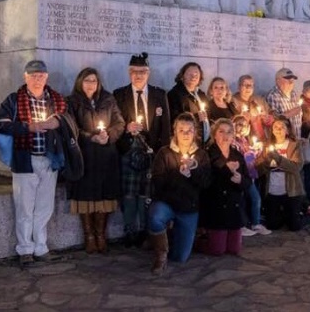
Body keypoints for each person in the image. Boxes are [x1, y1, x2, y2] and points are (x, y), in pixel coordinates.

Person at [0, 60, 68, 266]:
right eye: (33, 76)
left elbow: (68, 123)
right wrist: (28, 127)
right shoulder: (14, 100)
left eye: (41, 76)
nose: (37, 79)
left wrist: (58, 122)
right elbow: (0, 126)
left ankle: (41, 247)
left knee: (45, 206)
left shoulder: (56, 100)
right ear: (25, 77)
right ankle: (25, 248)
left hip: (49, 158)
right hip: (24, 158)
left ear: (46, 78)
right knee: (25, 207)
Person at [113, 52, 171, 247]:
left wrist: (162, 153)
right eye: (135, 72)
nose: (139, 75)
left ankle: (147, 231)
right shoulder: (119, 94)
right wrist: (126, 129)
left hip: (151, 150)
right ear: (129, 73)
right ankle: (130, 230)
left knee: (146, 193)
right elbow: (115, 123)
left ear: (149, 73)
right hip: (129, 148)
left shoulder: (159, 94)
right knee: (129, 193)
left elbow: (166, 126)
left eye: (143, 72)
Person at [67, 67, 125, 254]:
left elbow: (119, 122)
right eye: (87, 80)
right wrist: (91, 137)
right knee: (85, 196)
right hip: (85, 155)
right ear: (79, 82)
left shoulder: (108, 99)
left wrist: (108, 135)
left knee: (104, 196)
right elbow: (71, 127)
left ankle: (101, 234)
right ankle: (89, 236)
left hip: (106, 155)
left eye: (94, 80)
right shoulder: (72, 101)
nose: (91, 84)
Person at [148, 112, 211, 274]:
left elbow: (206, 183)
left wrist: (193, 171)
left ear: (195, 132)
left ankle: (175, 236)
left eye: (189, 130)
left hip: (188, 207)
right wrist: (178, 175)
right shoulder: (164, 153)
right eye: (181, 130)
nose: (185, 134)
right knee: (155, 217)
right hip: (167, 203)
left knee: (180, 257)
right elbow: (158, 182)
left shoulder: (201, 155)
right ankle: (160, 255)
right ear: (175, 131)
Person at [199, 119, 251, 256]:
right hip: (216, 207)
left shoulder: (237, 155)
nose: (225, 135)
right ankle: (200, 239)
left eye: (229, 132)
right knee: (217, 250)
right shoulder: (207, 154)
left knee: (234, 250)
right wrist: (225, 170)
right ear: (214, 134)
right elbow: (205, 182)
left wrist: (240, 180)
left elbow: (248, 182)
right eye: (221, 131)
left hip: (234, 208)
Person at [256, 117, 307, 231]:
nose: (278, 130)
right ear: (272, 131)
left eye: (282, 127)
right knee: (272, 225)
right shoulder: (266, 146)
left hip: (291, 190)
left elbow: (296, 167)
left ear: (287, 130)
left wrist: (278, 158)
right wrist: (265, 162)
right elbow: (259, 169)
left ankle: (305, 214)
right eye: (276, 127)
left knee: (295, 227)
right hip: (273, 190)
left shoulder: (294, 145)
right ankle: (284, 215)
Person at [232, 115, 270, 236]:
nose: (242, 128)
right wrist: (250, 153)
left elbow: (250, 157)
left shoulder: (245, 140)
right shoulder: (233, 142)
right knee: (247, 199)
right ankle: (243, 225)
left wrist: (256, 151)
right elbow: (240, 157)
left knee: (254, 198)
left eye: (245, 125)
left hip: (250, 174)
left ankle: (255, 223)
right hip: (241, 175)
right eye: (239, 124)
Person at [167, 62, 210, 143]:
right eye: (189, 74)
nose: (193, 77)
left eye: (196, 74)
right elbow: (173, 119)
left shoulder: (201, 94)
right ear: (182, 76)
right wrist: (196, 117)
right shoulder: (174, 94)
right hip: (186, 142)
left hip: (202, 143)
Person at [231, 74, 271, 141]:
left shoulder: (259, 100)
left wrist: (267, 119)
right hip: (241, 139)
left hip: (260, 138)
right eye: (245, 85)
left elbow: (271, 114)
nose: (248, 88)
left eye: (251, 85)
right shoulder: (232, 101)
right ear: (239, 87)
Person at [266, 68, 303, 138]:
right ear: (278, 81)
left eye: (292, 79)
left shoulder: (294, 94)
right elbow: (274, 120)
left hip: (297, 139)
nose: (291, 82)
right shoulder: (273, 96)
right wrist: (291, 113)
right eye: (288, 79)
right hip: (284, 141)